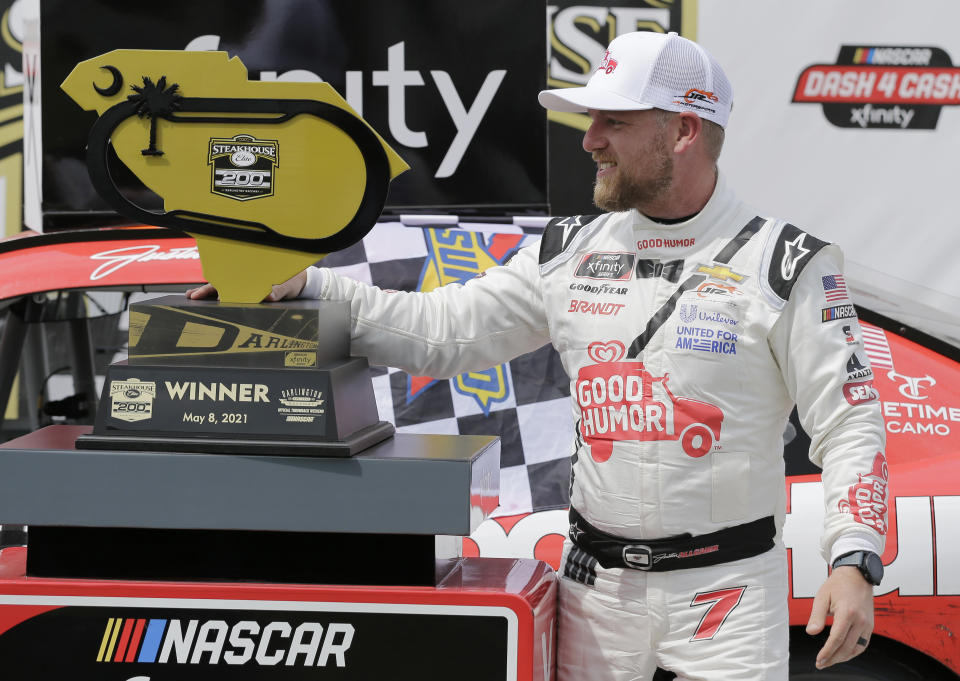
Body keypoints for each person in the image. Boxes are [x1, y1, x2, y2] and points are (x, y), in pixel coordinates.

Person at [189, 30, 887, 681]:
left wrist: (854, 558)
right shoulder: (570, 253)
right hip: (597, 593)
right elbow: (444, 330)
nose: (589, 140)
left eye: (614, 121)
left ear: (683, 130)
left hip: (730, 597)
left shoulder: (787, 264)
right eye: (591, 120)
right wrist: (307, 284)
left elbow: (850, 423)